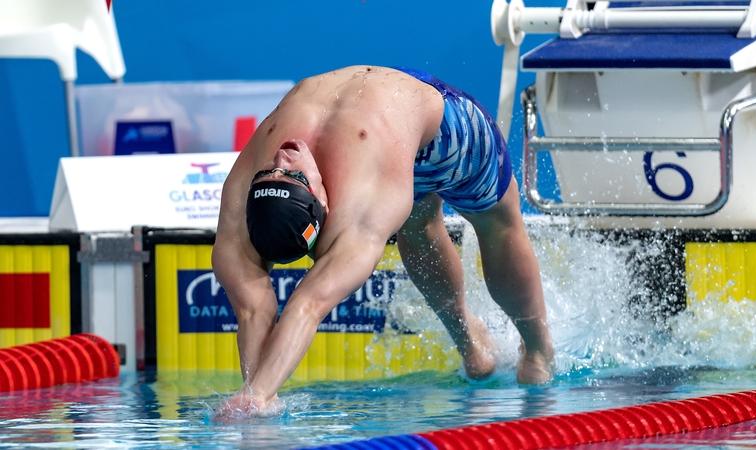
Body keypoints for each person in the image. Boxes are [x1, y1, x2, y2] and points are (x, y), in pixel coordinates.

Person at [212, 65, 554, 419]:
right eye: (297, 175)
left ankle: (538, 350)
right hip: (393, 133)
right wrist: (255, 396)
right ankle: (470, 344)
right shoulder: (355, 217)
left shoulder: (241, 189)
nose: (284, 156)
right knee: (432, 226)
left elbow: (305, 305)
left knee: (496, 221)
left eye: (272, 171)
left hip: (434, 119)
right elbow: (260, 309)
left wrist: (259, 393)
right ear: (323, 206)